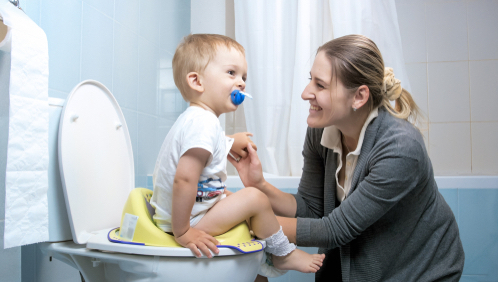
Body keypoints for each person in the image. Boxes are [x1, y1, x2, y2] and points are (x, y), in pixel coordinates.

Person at [230, 34, 465, 282]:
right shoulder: (321, 130)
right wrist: (259, 186)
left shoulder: (400, 147)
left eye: (320, 85)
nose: (305, 93)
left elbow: (334, 230)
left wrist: (250, 220)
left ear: (359, 97)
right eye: (311, 80)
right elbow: (311, 208)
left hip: (420, 271)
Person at [150, 34, 325, 274]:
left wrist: (229, 142)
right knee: (254, 199)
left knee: (237, 202)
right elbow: (184, 179)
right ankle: (283, 254)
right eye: (231, 73)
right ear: (197, 81)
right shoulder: (203, 124)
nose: (241, 82)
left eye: (244, 76)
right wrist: (183, 231)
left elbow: (203, 150)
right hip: (185, 222)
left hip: (187, 213)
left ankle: (260, 269)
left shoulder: (198, 120)